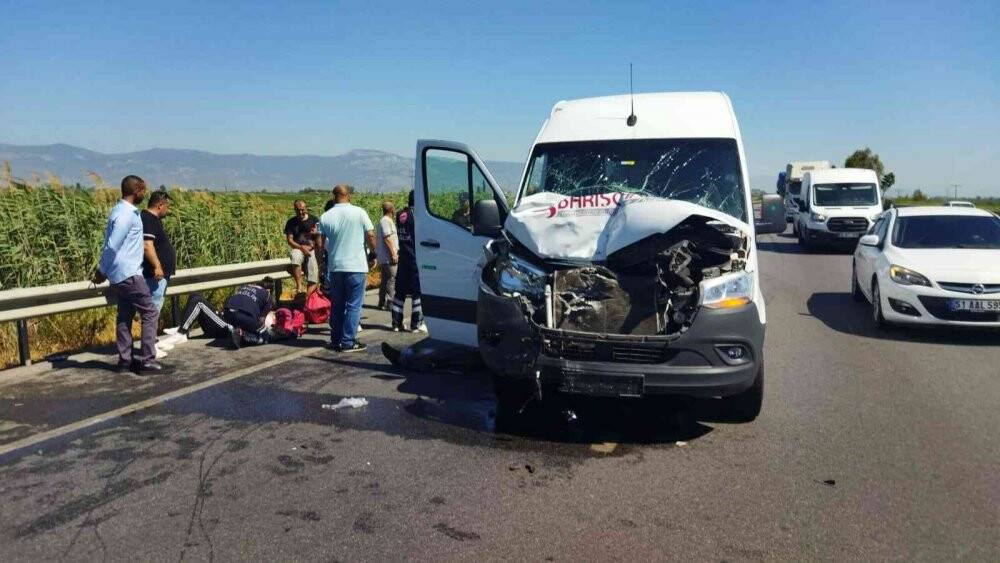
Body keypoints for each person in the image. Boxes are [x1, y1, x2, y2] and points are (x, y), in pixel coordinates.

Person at [93, 175, 164, 373]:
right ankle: (148, 360)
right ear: (137, 190)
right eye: (143, 190)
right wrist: (101, 270)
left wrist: (106, 270)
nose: (145, 194)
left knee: (124, 315)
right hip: (129, 273)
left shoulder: (119, 210)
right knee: (150, 312)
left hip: (119, 275)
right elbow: (112, 245)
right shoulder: (126, 214)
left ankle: (125, 361)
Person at [318, 184, 376, 353]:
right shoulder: (359, 212)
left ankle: (335, 340)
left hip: (336, 267)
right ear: (348, 195)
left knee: (337, 305)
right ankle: (348, 341)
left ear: (333, 196)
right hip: (356, 266)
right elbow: (371, 235)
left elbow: (319, 242)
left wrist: (321, 261)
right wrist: (374, 253)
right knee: (353, 305)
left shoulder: (326, 216)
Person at [161, 280, 277, 349]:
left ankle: (182, 333)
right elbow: (261, 320)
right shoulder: (266, 296)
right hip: (225, 320)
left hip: (228, 326)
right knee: (195, 296)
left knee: (198, 302)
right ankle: (183, 327)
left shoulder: (245, 288)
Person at [391, 191, 426, 333]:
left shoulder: (400, 215)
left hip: (403, 257)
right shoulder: (417, 216)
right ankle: (416, 324)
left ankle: (396, 323)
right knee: (418, 292)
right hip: (415, 258)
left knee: (400, 291)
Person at [141, 190, 176, 313]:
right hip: (154, 276)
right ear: (160, 205)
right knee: (152, 312)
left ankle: (150, 332)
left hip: (159, 276)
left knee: (154, 310)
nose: (167, 209)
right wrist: (157, 266)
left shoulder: (154, 219)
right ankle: (149, 333)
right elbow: (147, 245)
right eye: (167, 206)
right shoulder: (148, 219)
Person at [284, 200, 319, 296]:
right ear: (294, 210)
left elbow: (320, 238)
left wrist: (312, 246)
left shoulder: (314, 220)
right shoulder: (291, 222)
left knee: (312, 267)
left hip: (312, 249)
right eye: (298, 210)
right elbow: (290, 240)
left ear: (306, 208)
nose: (300, 212)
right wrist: (301, 247)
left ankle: (310, 294)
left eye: (302, 210)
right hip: (298, 247)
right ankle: (299, 286)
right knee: (295, 257)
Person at [375, 201, 398, 310]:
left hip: (385, 256)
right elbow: (387, 238)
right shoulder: (385, 221)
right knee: (392, 279)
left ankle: (381, 302)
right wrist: (393, 254)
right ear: (391, 210)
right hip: (388, 256)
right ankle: (390, 303)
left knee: (385, 279)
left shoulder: (386, 221)